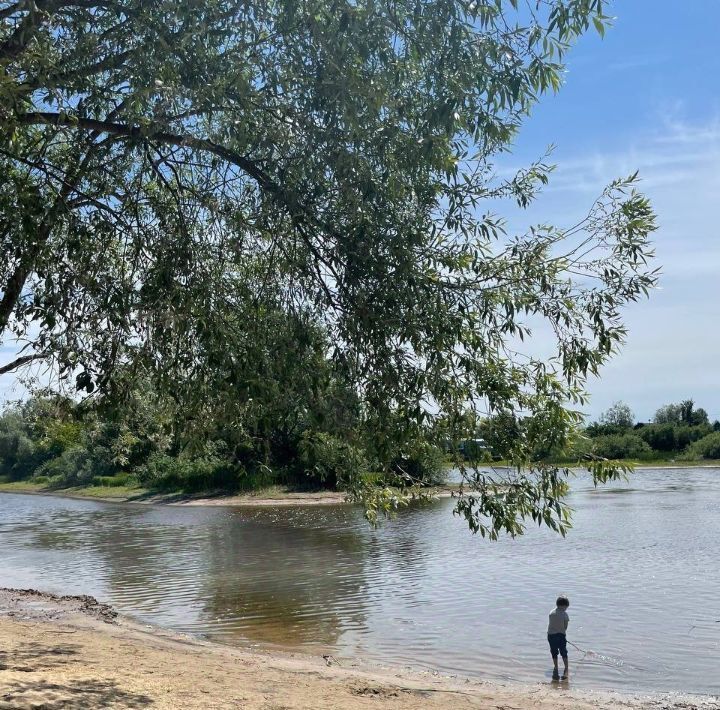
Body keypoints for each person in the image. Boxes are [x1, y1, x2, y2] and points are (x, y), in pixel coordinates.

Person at [547, 595, 570, 680]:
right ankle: (566, 668)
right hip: (560, 635)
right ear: (564, 606)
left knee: (554, 651)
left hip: (551, 635)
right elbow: (565, 626)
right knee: (563, 651)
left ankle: (556, 667)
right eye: (566, 607)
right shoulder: (565, 614)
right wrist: (563, 632)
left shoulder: (551, 612)